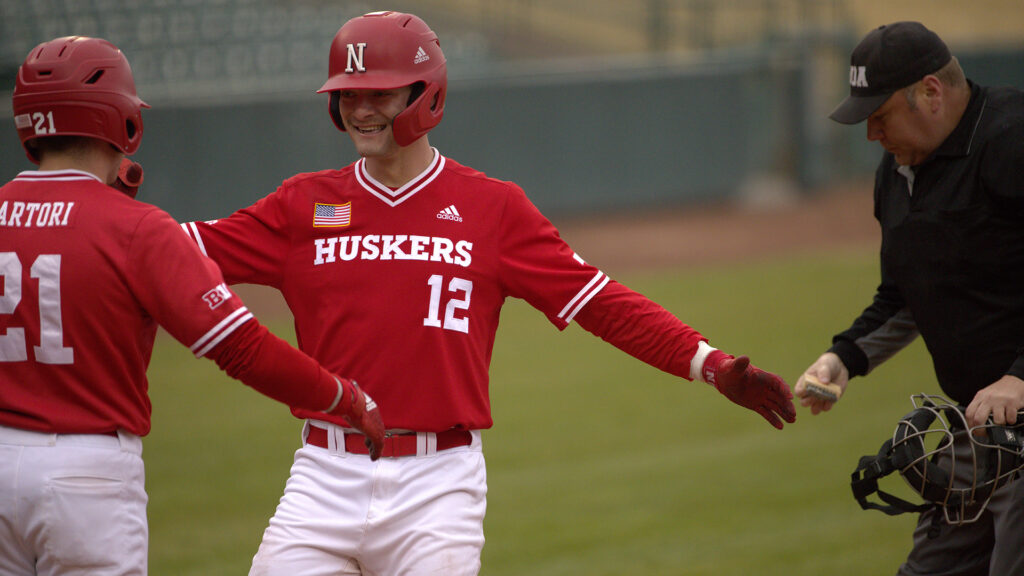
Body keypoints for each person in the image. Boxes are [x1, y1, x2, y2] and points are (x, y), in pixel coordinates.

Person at [180, 11, 796, 575]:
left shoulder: (493, 209)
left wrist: (710, 365)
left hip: (437, 484)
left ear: (427, 95)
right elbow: (168, 253)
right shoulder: (304, 205)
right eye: (347, 95)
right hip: (323, 472)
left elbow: (602, 303)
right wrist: (86, 204)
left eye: (380, 93)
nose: (361, 110)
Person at [0, 35, 385, 576]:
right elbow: (243, 349)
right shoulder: (135, 228)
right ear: (122, 120)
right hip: (84, 477)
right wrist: (342, 395)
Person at [793, 21, 1024, 576]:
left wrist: (1019, 375)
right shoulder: (898, 172)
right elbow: (904, 291)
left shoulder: (1011, 140)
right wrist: (844, 358)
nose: (871, 134)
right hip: (983, 429)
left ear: (930, 92)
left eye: (878, 116)